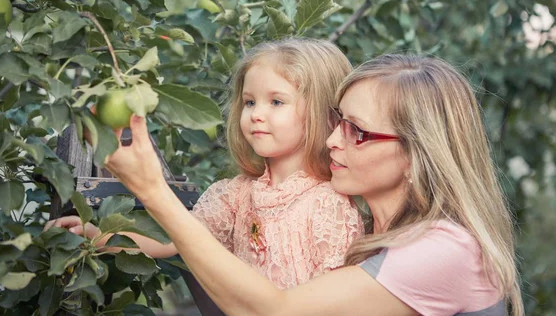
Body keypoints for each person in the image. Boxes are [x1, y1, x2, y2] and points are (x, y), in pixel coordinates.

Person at [101, 53, 524, 315]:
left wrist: (154, 191)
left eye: (356, 130)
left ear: (418, 154)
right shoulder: (376, 236)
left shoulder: (443, 250)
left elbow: (277, 311)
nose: (331, 139)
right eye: (338, 121)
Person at [46, 38, 364, 290]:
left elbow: (336, 301)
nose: (256, 113)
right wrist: (98, 235)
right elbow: (172, 240)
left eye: (276, 102)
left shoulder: (328, 205)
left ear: (323, 113)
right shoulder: (236, 195)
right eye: (250, 101)